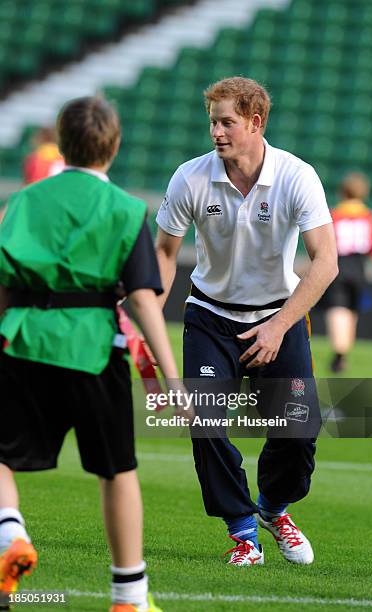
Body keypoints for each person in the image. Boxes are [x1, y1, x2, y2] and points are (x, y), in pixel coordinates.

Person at [0, 96, 190, 612]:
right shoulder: (127, 209)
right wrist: (172, 379)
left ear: (60, 143)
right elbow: (143, 299)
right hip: (94, 349)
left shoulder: (22, 201)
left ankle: (8, 533)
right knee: (117, 470)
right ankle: (128, 594)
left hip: (23, 341)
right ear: (115, 145)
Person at [155, 77, 338, 567]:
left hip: (279, 316)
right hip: (210, 317)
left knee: (299, 430)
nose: (216, 131)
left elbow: (325, 262)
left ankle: (274, 511)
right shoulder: (189, 177)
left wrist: (278, 327)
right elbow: (165, 255)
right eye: (212, 121)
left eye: (226, 122)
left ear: (256, 123)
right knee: (206, 423)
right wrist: (146, 308)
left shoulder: (298, 176)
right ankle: (243, 533)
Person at [323, 172, 372, 372]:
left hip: (338, 265)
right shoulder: (368, 217)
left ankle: (339, 353)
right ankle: (344, 352)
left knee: (337, 308)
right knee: (352, 310)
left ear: (342, 191)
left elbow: (324, 245)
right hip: (359, 267)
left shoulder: (334, 214)